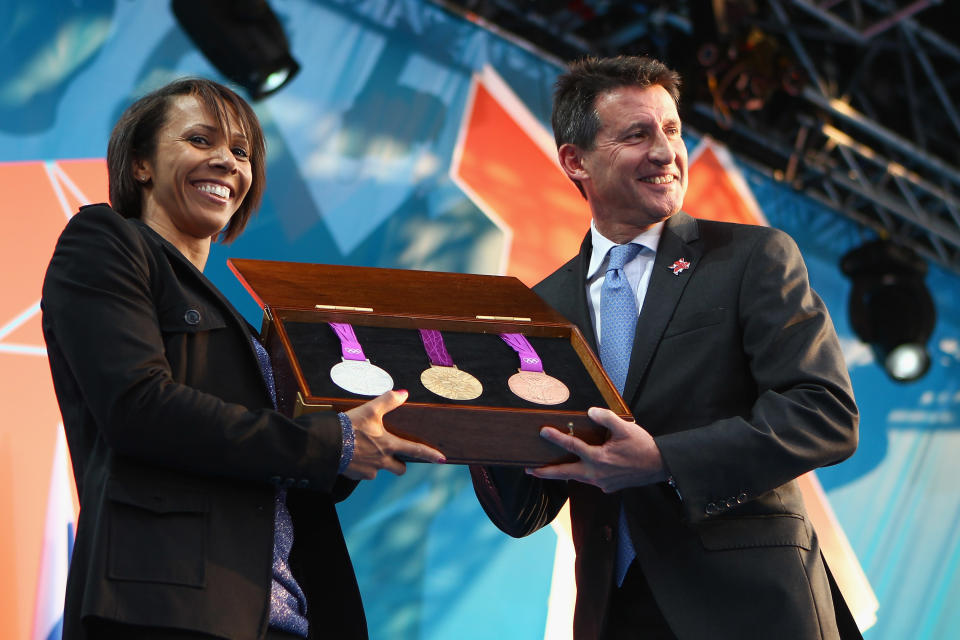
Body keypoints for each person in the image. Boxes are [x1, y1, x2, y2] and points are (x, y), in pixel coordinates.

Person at [470, 56, 861, 639]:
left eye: (672, 130)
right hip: (615, 613)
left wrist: (664, 460)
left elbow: (824, 413)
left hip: (751, 607)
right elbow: (525, 509)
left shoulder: (752, 258)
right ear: (575, 161)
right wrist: (473, 418)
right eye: (637, 134)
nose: (665, 152)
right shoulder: (539, 308)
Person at [41, 77, 445, 640]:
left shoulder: (246, 326)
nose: (227, 162)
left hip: (284, 618)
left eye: (241, 152)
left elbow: (276, 464)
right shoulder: (106, 241)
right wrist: (334, 442)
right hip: (172, 613)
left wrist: (384, 431)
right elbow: (138, 408)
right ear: (140, 165)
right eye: (200, 140)